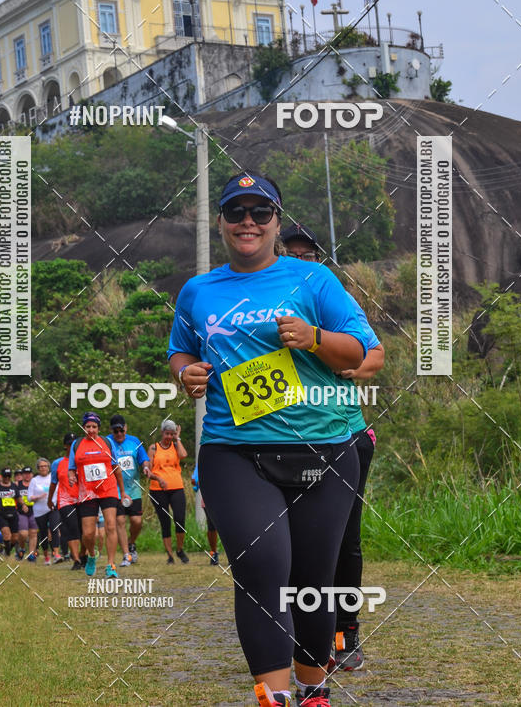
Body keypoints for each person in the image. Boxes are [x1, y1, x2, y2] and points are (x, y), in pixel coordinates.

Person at [168, 173, 369, 707]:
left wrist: (317, 338)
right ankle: (274, 697)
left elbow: (366, 356)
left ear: (277, 221)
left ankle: (312, 687)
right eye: (237, 213)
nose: (248, 223)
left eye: (261, 213)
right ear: (221, 222)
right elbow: (181, 351)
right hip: (234, 451)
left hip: (324, 448)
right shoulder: (198, 290)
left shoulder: (315, 280)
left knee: (312, 578)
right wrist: (185, 373)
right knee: (261, 568)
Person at [281, 222, 385, 672]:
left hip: (345, 435)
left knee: (344, 540)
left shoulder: (331, 298)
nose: (301, 262)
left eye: (309, 256)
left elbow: (374, 354)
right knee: (282, 542)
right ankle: (294, 633)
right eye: (292, 253)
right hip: (278, 440)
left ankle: (347, 634)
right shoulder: (261, 301)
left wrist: (353, 368)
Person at [68, 411, 127, 579]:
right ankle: (92, 556)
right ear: (83, 427)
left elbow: (116, 468)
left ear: (99, 428)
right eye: (88, 427)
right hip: (87, 492)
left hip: (108, 489)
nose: (91, 430)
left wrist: (122, 492)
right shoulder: (77, 445)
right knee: (88, 533)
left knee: (110, 526)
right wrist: (72, 476)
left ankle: (110, 564)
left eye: (94, 427)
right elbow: (72, 468)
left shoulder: (107, 442)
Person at [107, 414, 152, 566]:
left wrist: (146, 467)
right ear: (111, 431)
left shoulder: (134, 441)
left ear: (125, 428)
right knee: (119, 521)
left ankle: (131, 543)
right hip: (115, 490)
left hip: (133, 489)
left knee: (136, 521)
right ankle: (127, 555)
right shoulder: (106, 442)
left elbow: (144, 458)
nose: (119, 434)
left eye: (121, 430)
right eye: (116, 431)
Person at [148, 420, 188, 564]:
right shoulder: (154, 448)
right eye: (167, 433)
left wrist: (178, 439)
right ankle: (170, 555)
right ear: (162, 432)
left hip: (176, 487)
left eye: (172, 434)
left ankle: (179, 549)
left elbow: (183, 455)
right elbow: (148, 469)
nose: (169, 436)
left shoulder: (176, 446)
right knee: (165, 521)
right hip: (158, 489)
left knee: (179, 519)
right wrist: (158, 478)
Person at [49, 434, 84, 570]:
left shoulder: (82, 459)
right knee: (72, 529)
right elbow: (53, 483)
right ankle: (76, 560)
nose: (71, 447)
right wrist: (49, 500)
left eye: (74, 444)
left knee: (85, 530)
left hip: (82, 499)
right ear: (65, 445)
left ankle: (83, 555)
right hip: (65, 501)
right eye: (69, 444)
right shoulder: (57, 463)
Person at [27, 458, 63, 565]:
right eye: (41, 466)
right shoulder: (34, 480)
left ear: (49, 467)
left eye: (45, 466)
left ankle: (56, 553)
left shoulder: (53, 477)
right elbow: (29, 498)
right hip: (39, 511)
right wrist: (38, 497)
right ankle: (46, 556)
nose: (43, 468)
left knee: (54, 528)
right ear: (38, 469)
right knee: (43, 533)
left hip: (52, 508)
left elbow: (60, 491)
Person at [0, 468, 22, 556]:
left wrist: (24, 505)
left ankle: (5, 549)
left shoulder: (14, 486)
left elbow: (19, 499)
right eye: (5, 476)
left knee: (14, 538)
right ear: (2, 476)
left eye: (9, 476)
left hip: (13, 514)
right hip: (0, 514)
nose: (7, 478)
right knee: (6, 534)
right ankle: (7, 555)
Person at [191, 464, 219, 565]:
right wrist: (196, 482)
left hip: (226, 497)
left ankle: (233, 554)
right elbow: (194, 481)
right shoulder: (204, 461)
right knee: (212, 526)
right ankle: (213, 553)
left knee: (229, 528)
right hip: (209, 498)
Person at [16, 466, 37, 560]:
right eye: (25, 473)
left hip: (35, 511)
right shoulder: (17, 484)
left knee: (33, 533)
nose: (27, 475)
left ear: (32, 474)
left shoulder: (36, 484)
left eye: (29, 473)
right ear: (22, 475)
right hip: (21, 512)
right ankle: (22, 548)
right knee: (23, 533)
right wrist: (22, 504)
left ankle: (31, 554)